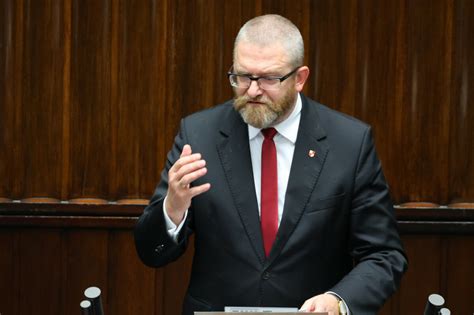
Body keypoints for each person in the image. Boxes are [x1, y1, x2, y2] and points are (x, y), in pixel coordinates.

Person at [135, 14, 407, 315]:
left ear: (300, 78)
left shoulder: (349, 144)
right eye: (242, 76)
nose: (252, 90)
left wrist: (339, 301)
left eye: (268, 78)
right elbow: (151, 253)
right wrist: (172, 210)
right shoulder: (199, 135)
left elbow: (383, 254)